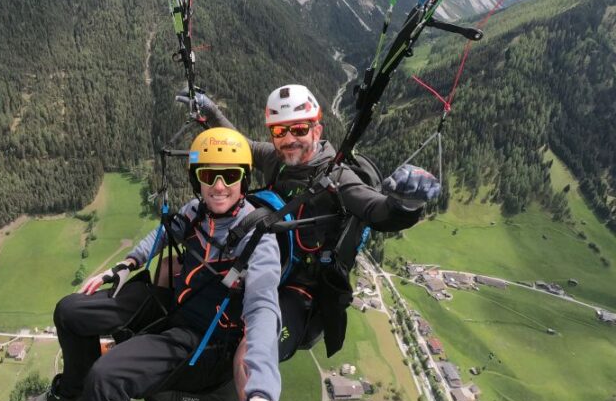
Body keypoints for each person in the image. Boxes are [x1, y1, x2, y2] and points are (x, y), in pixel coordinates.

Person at [16, 127, 282, 401]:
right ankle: (71, 392)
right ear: (198, 180)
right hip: (172, 303)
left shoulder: (258, 239)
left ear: (244, 179)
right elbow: (161, 235)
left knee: (106, 376)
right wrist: (127, 264)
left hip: (201, 337)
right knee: (70, 311)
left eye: (230, 176)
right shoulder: (196, 212)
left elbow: (264, 307)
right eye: (209, 176)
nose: (219, 186)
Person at [178, 84, 440, 361]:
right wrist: (211, 112)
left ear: (317, 130)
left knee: (254, 350)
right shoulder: (276, 160)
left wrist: (406, 204)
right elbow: (239, 145)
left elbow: (376, 210)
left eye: (300, 129)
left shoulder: (339, 179)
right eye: (280, 131)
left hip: (299, 288)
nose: (289, 139)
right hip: (264, 263)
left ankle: (255, 400)